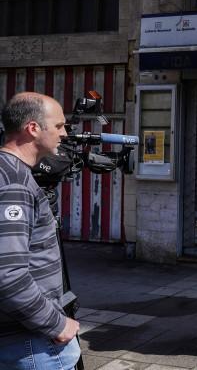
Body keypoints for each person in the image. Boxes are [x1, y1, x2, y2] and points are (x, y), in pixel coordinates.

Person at [0, 92, 81, 369]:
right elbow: (7, 274)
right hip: (31, 345)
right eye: (58, 126)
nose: (65, 133)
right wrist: (56, 324)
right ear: (33, 129)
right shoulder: (15, 183)